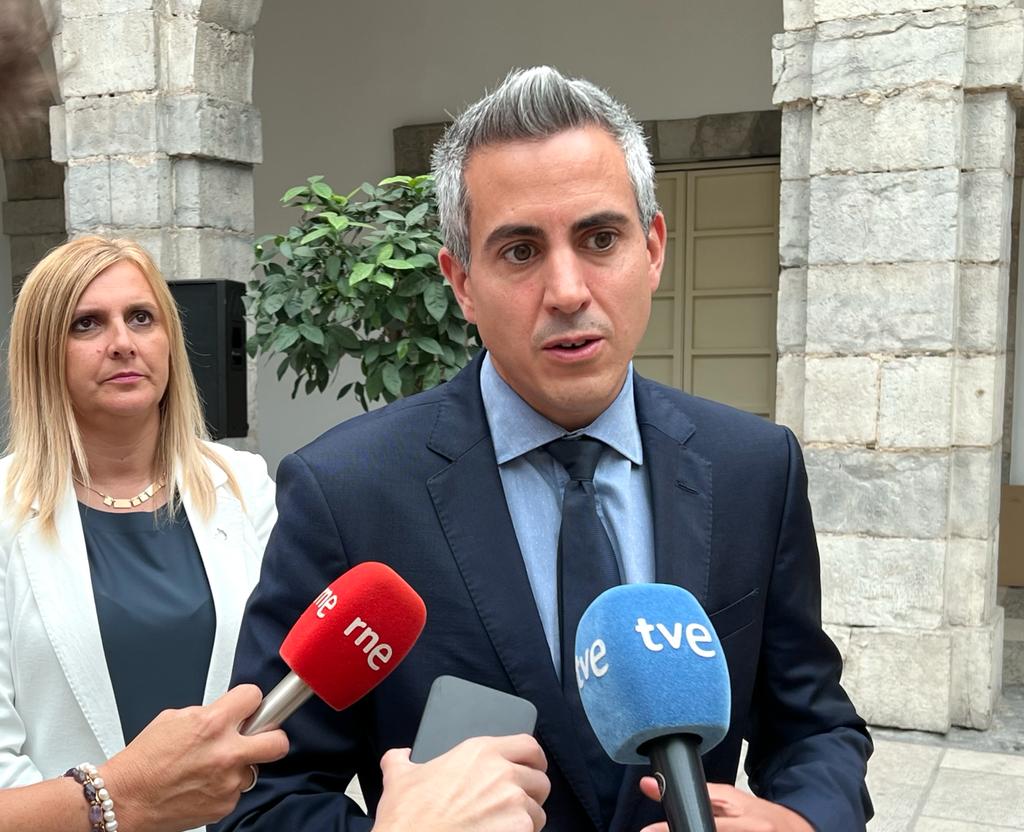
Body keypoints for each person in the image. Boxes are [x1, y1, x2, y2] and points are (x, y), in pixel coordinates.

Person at [217, 67, 873, 832]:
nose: (567, 290)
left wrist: (801, 823)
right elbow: (261, 799)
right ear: (462, 282)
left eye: (600, 239)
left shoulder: (753, 468)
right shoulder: (347, 492)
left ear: (652, 250)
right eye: (521, 251)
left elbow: (816, 728)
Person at [0, 236, 289, 831]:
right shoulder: (5, 509)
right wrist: (116, 806)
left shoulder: (244, 486)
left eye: (140, 317)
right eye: (86, 324)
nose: (122, 343)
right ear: (42, 353)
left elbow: (280, 688)